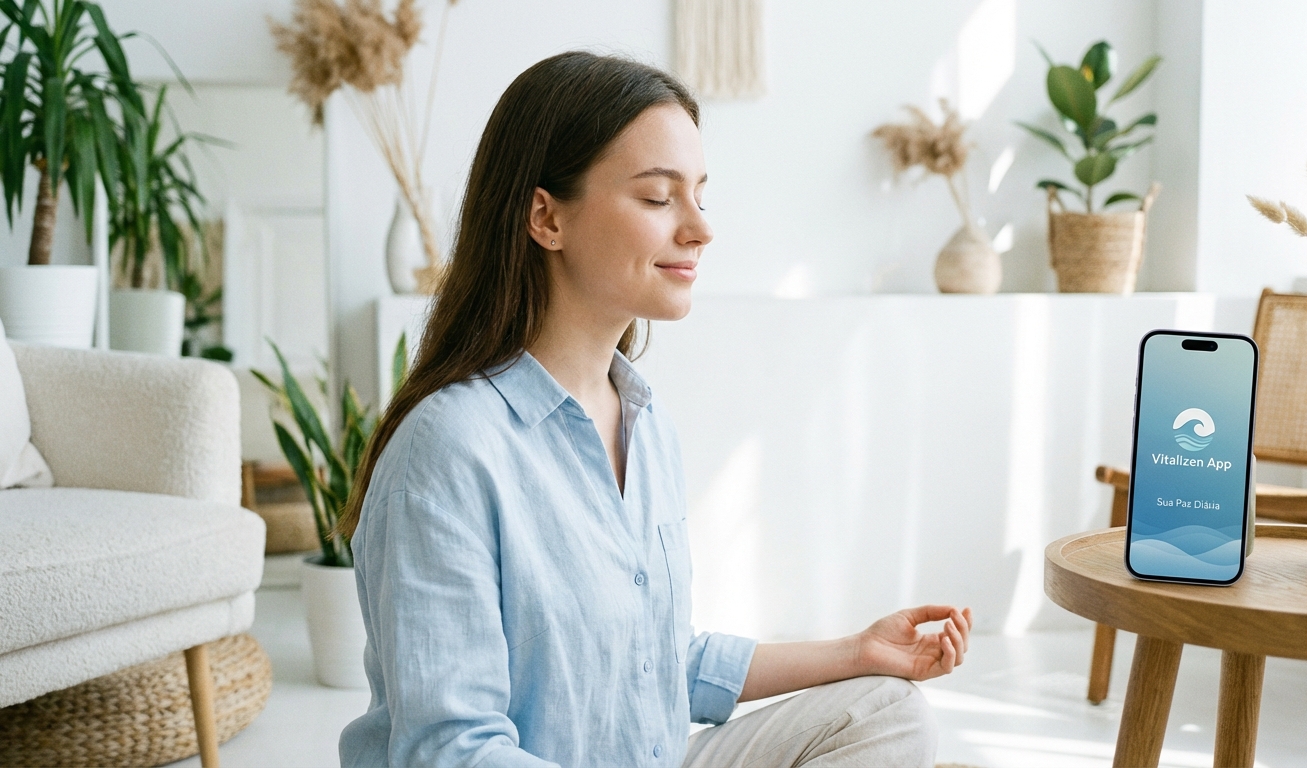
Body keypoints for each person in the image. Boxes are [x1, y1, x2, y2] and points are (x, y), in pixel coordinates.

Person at [337, 51, 972, 768]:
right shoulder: (449, 449)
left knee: (886, 710)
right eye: (657, 197)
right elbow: (451, 751)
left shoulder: (641, 421)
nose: (699, 229)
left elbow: (657, 662)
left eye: (700, 195)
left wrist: (858, 651)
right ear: (545, 216)